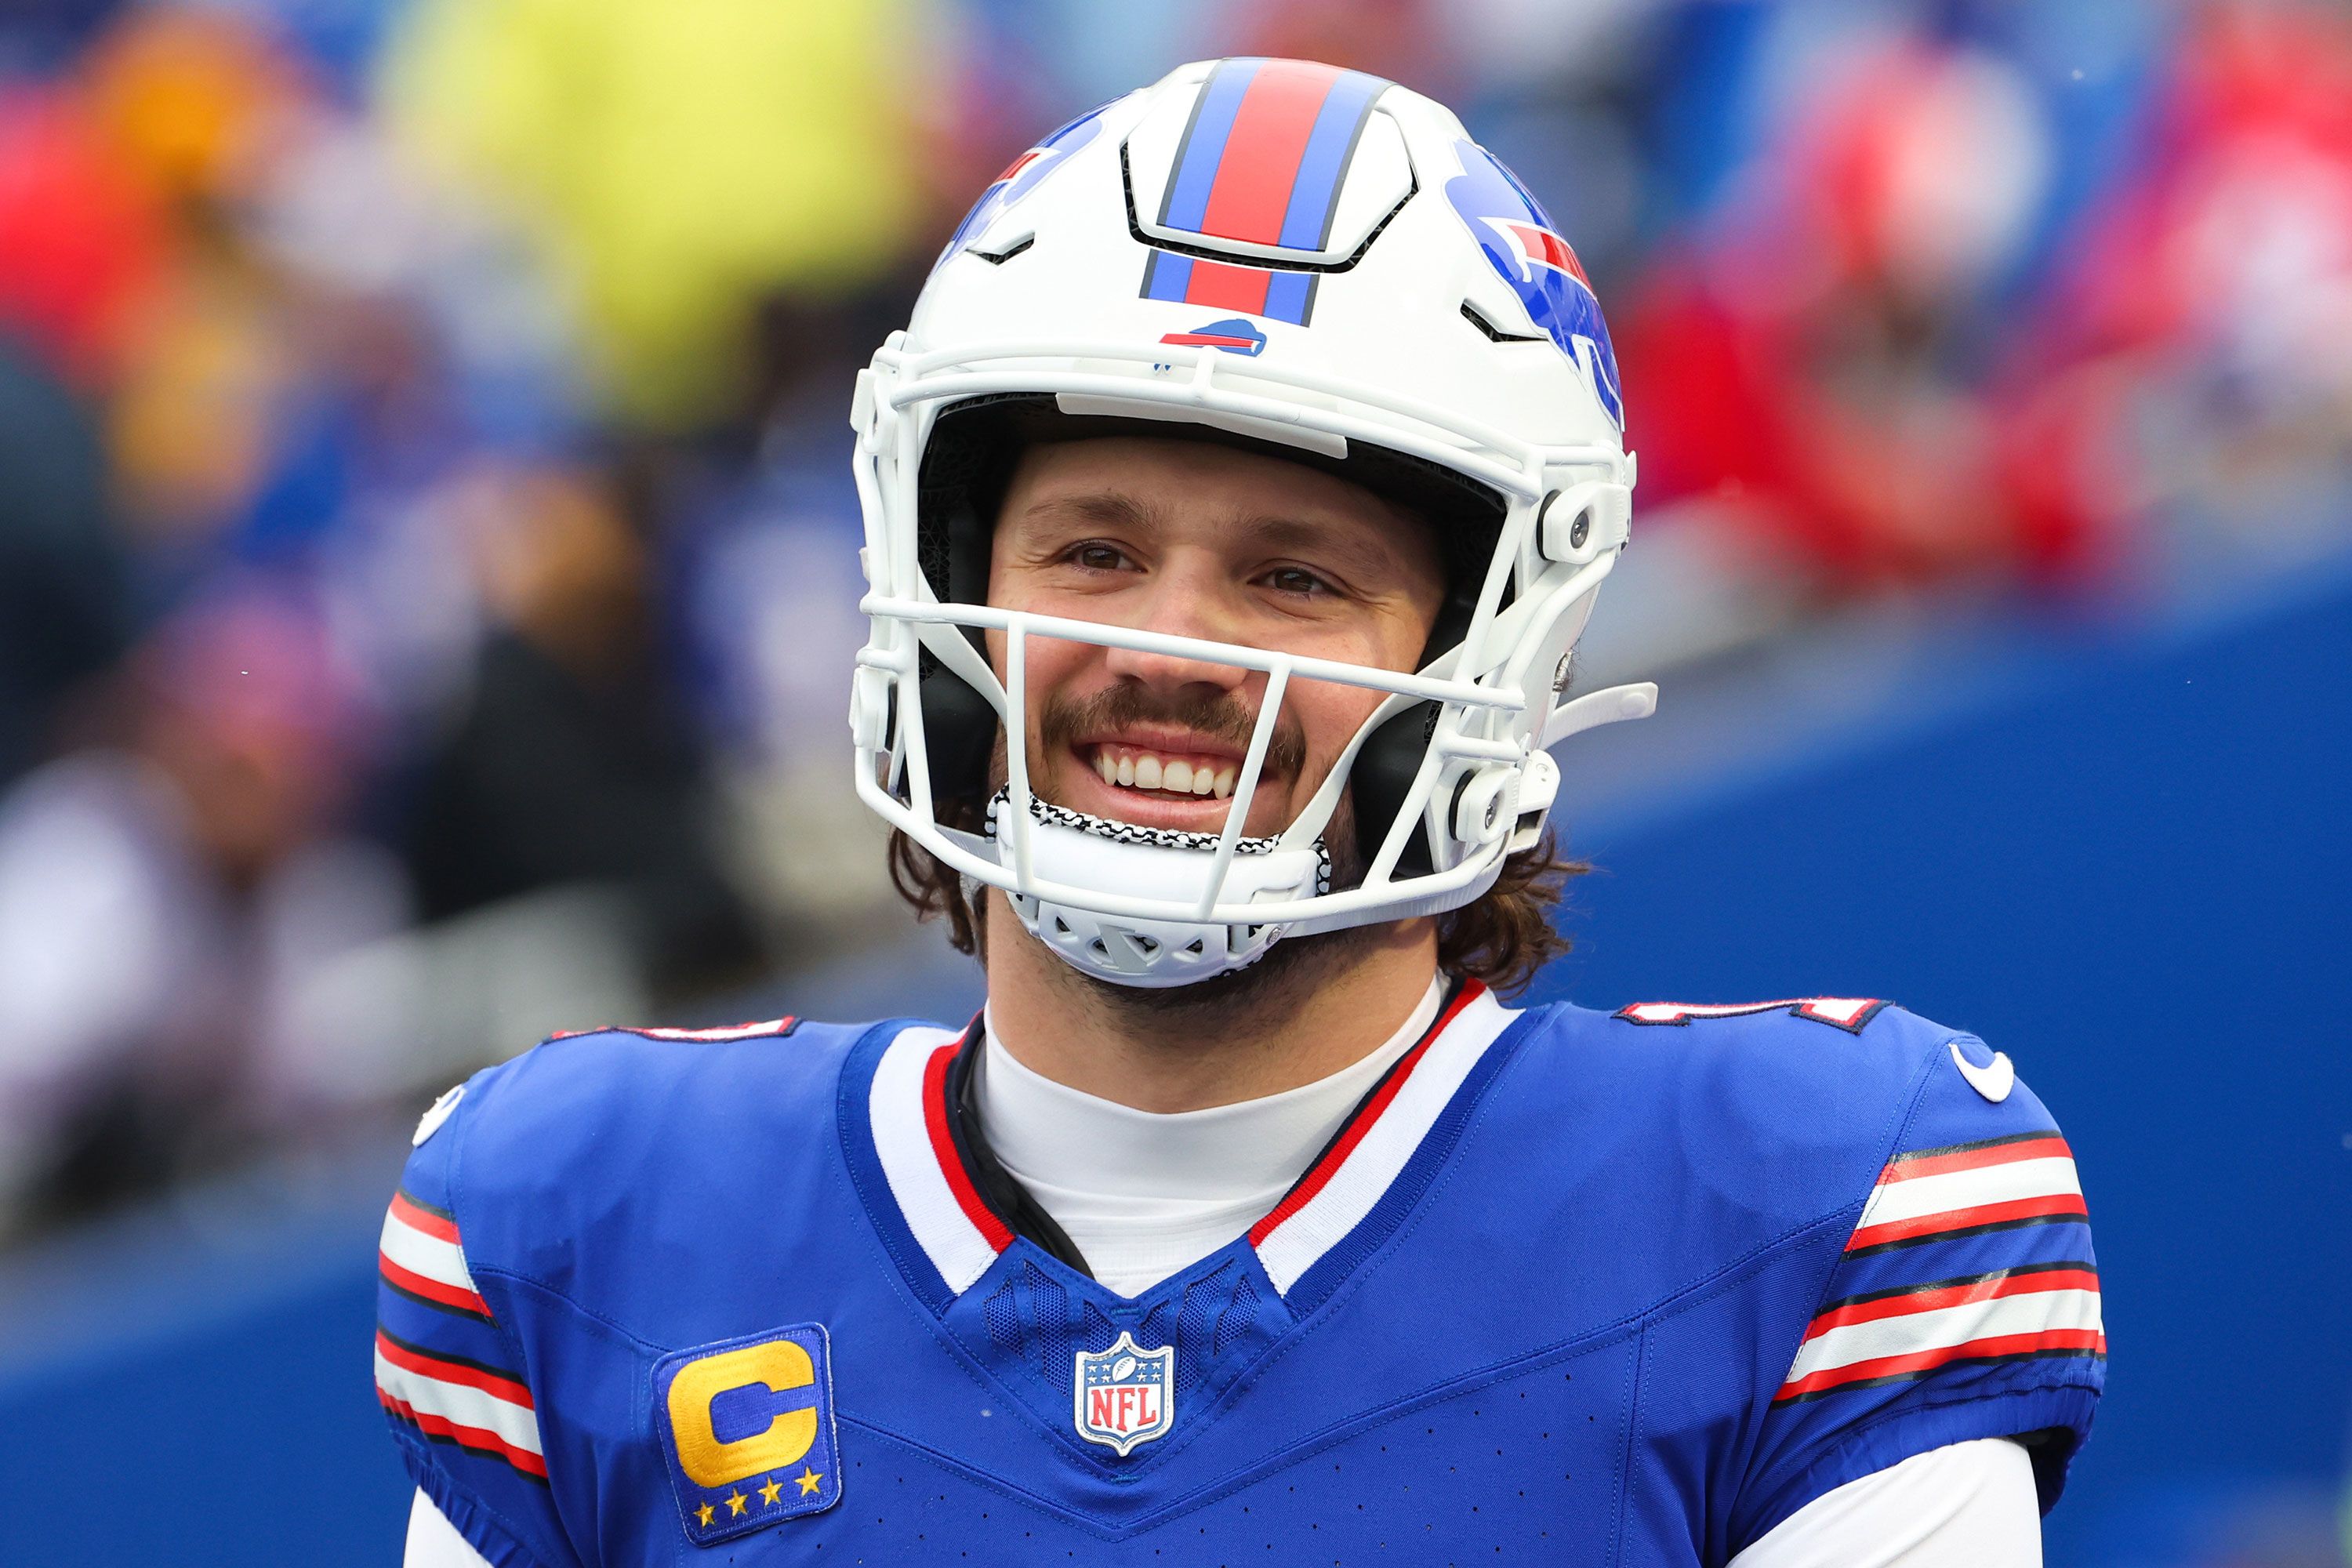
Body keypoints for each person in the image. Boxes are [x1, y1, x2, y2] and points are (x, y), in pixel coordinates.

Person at [380, 60, 2101, 1566]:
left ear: (1490, 649)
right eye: (1096, 553)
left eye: (1293, 576)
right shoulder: (594, 1219)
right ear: (952, 595)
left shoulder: (1797, 1204)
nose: (1170, 651)